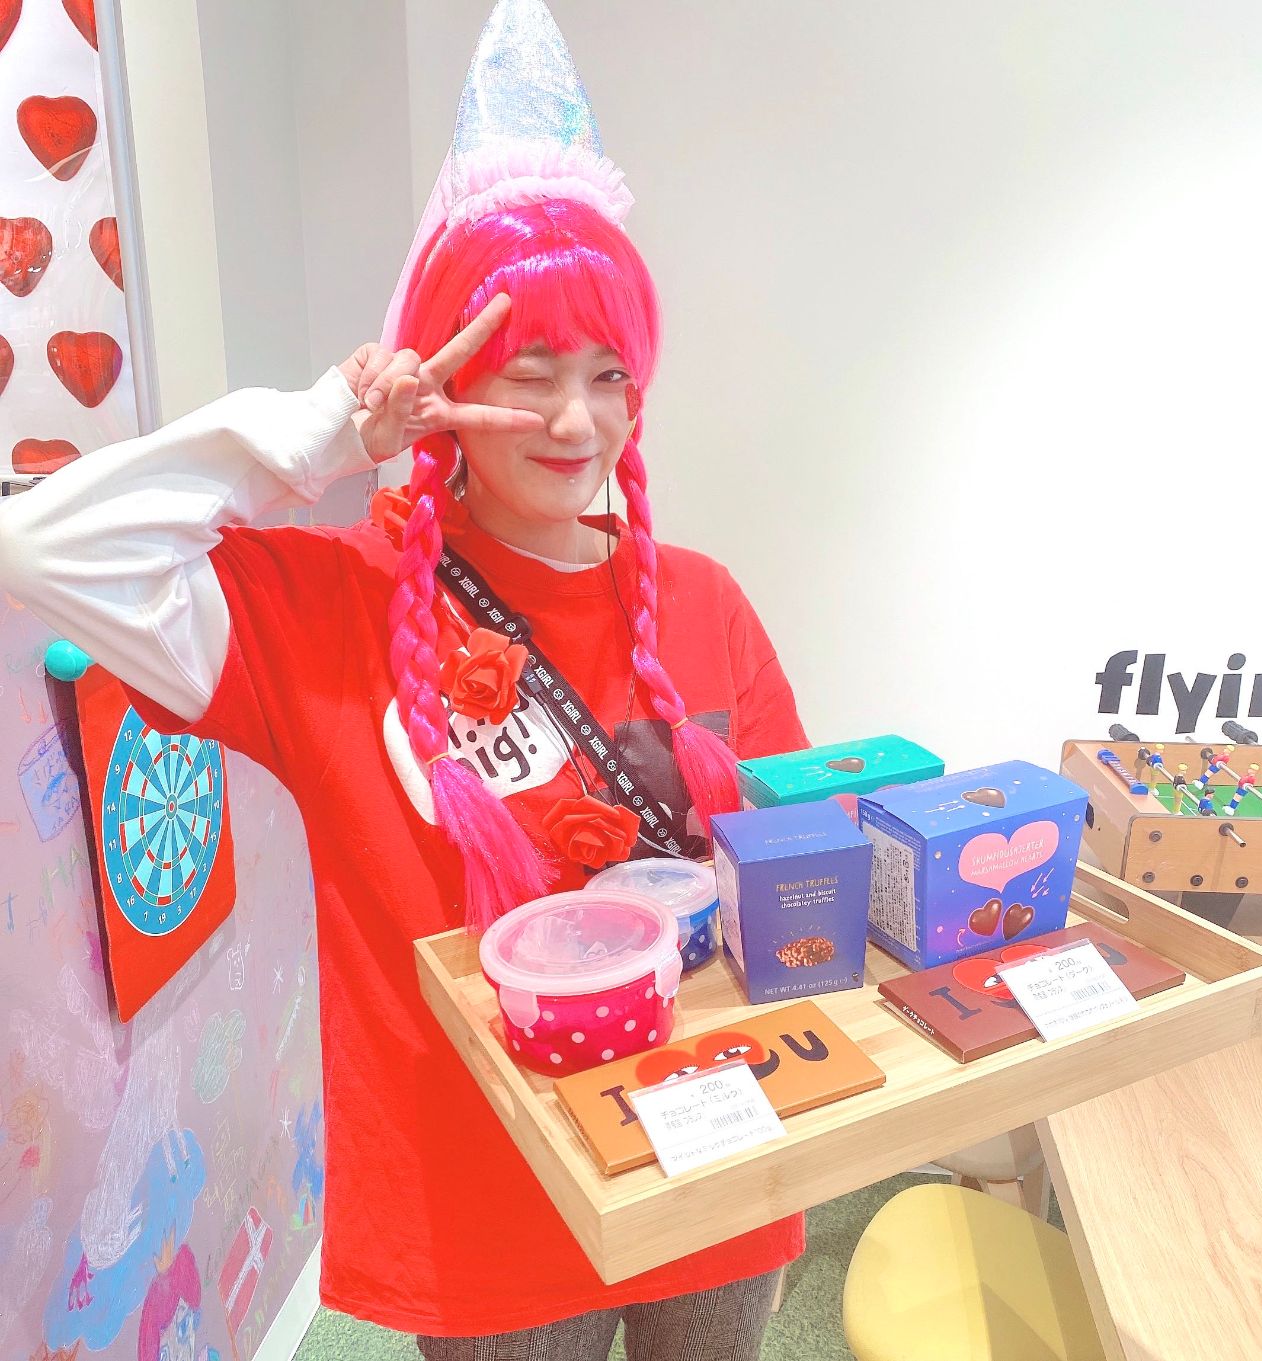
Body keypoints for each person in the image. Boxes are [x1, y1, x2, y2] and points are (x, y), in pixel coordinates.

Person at [0, 3, 809, 1356]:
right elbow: (44, 547)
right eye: (529, 374)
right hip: (486, 1215)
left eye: (608, 374)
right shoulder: (335, 608)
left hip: (710, 1153)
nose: (576, 419)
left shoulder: (706, 604)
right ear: (446, 382)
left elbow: (791, 869)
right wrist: (323, 431)